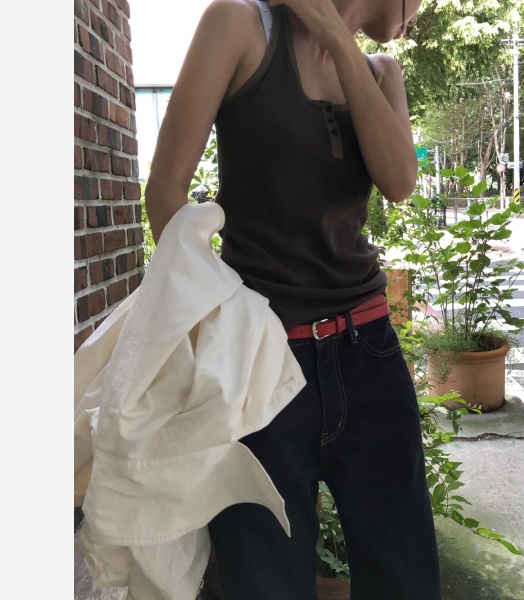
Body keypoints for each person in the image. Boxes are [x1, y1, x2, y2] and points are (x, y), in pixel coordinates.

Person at [144, 0, 442, 598]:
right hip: (262, 364)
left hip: (369, 356)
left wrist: (335, 32)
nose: (422, 13)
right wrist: (217, 322)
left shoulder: (383, 72)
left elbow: (400, 181)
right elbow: (166, 190)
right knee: (264, 583)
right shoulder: (239, 25)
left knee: (405, 580)